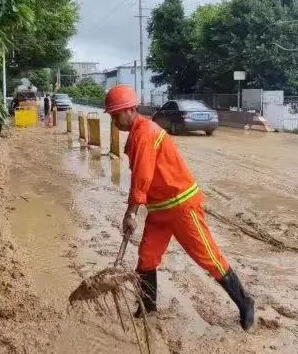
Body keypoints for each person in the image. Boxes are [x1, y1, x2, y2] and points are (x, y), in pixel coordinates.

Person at [104, 85, 255, 330]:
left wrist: (131, 212)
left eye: (116, 114)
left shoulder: (146, 133)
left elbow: (141, 177)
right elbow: (142, 180)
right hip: (159, 210)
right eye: (111, 115)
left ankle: (245, 301)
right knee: (147, 258)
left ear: (131, 109)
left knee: (209, 258)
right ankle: (148, 308)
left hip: (182, 207)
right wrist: (138, 208)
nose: (113, 120)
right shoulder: (136, 134)